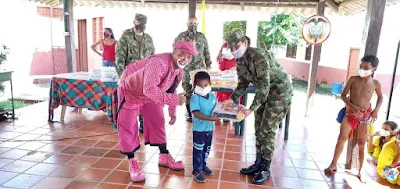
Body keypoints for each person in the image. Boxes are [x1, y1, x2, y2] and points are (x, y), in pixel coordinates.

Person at [117, 40, 197, 182]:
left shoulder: (178, 70)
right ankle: (132, 162)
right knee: (128, 125)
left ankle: (164, 156)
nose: (185, 59)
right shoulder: (158, 62)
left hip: (150, 92)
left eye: (189, 56)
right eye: (181, 54)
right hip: (130, 91)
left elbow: (172, 90)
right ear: (174, 51)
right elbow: (150, 89)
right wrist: (174, 101)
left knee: (157, 120)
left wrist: (172, 112)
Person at [223, 29, 293, 185]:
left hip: (279, 92)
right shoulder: (240, 61)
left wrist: (250, 108)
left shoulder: (259, 56)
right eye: (231, 48)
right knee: (258, 126)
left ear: (245, 43)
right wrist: (232, 99)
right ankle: (258, 163)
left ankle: (265, 168)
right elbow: (242, 84)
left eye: (237, 46)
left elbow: (264, 86)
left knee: (267, 128)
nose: (234, 51)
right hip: (265, 93)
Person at [324, 55, 383, 181]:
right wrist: (351, 106)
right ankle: (333, 164)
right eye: (361, 66)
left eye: (366, 67)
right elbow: (343, 95)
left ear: (374, 69)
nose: (362, 69)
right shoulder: (353, 79)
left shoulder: (375, 83)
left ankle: (361, 170)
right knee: (341, 138)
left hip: (364, 117)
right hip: (350, 114)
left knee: (361, 143)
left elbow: (381, 97)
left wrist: (376, 110)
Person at [116, 13, 155, 133]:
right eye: (139, 22)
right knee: (131, 102)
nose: (141, 24)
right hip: (130, 76)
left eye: (143, 23)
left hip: (145, 75)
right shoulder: (126, 37)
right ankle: (130, 125)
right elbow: (119, 58)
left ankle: (144, 124)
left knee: (145, 99)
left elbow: (153, 57)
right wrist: (122, 77)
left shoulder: (148, 38)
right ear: (134, 22)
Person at [173, 16, 211, 122]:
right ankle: (189, 113)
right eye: (190, 24)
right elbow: (174, 49)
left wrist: (209, 66)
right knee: (187, 90)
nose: (192, 26)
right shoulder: (181, 36)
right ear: (187, 24)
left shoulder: (201, 37)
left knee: (201, 89)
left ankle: (201, 112)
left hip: (199, 67)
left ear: (197, 24)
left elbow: (206, 52)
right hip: (186, 67)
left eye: (194, 24)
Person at [190, 71, 219, 183]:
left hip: (210, 129)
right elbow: (196, 113)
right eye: (200, 86)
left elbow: (217, 109)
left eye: (206, 85)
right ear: (195, 85)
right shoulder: (195, 98)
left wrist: (223, 111)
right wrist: (211, 118)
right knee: (198, 150)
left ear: (210, 84)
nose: (203, 88)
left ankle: (203, 165)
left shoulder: (212, 96)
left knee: (206, 149)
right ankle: (197, 170)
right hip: (199, 130)